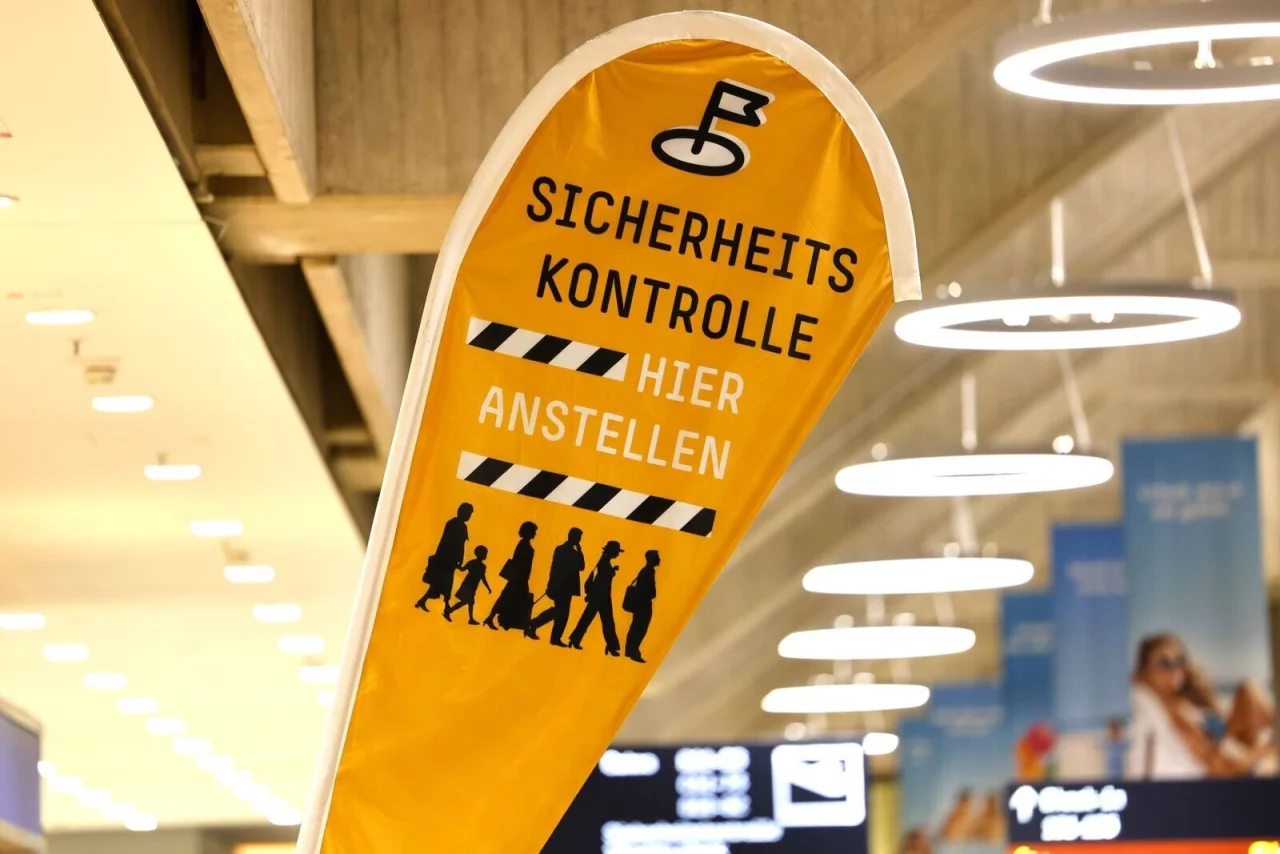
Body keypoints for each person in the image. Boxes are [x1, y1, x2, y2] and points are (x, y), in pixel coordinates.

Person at [525, 528, 585, 645]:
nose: (579, 540)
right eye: (579, 537)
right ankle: (539, 628)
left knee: (559, 612)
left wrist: (551, 584)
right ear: (574, 537)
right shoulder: (569, 551)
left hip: (561, 586)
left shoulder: (561, 549)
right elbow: (580, 566)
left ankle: (537, 627)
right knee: (562, 613)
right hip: (563, 587)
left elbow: (556, 568)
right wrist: (579, 551)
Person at [414, 502, 472, 616]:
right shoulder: (456, 525)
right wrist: (458, 558)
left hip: (449, 559)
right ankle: (444, 606)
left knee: (442, 584)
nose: (469, 516)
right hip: (447, 559)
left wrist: (459, 558)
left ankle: (425, 602)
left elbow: (460, 544)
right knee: (443, 583)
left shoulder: (456, 524)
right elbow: (452, 543)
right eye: (468, 513)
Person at [568, 541, 623, 656]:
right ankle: (576, 640)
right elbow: (600, 580)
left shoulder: (604, 560)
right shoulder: (604, 562)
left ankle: (575, 640)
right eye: (616, 551)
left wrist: (612, 570)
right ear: (612, 551)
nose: (617, 554)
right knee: (600, 621)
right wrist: (612, 571)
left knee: (598, 621)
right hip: (600, 597)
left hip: (602, 597)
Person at [484, 521, 537, 631]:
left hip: (517, 578)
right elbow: (522, 564)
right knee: (509, 599)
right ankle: (497, 619)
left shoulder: (522, 544)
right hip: (519, 579)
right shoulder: (525, 547)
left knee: (506, 598)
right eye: (534, 531)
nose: (535, 534)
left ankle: (498, 619)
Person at [622, 550, 659, 663]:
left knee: (636, 628)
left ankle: (630, 651)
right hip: (643, 604)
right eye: (657, 557)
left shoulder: (646, 570)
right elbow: (647, 590)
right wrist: (651, 593)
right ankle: (633, 652)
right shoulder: (648, 571)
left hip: (641, 604)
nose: (659, 559)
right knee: (639, 629)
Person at [446, 546, 491, 625]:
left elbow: (462, 569)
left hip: (469, 586)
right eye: (485, 554)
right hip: (469, 586)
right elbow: (483, 578)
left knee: (469, 602)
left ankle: (468, 618)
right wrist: (488, 588)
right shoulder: (482, 566)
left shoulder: (472, 562)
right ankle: (449, 611)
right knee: (467, 602)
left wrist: (456, 565)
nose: (486, 556)